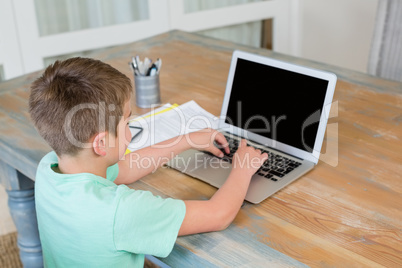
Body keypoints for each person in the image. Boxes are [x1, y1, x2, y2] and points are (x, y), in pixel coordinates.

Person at [29, 57, 268, 267]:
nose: (130, 132)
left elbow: (127, 168)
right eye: (127, 122)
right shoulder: (121, 211)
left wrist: (186, 139)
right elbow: (218, 215)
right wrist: (243, 169)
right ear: (100, 144)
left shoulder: (50, 168)